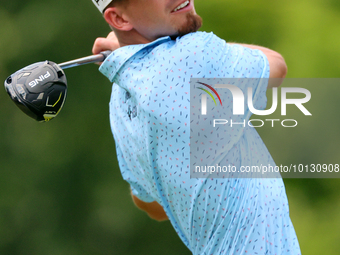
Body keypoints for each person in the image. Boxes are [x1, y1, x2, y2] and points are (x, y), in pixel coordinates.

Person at [91, 0, 301, 254]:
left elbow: (154, 207)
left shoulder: (121, 104)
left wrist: (130, 51)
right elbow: (276, 65)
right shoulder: (192, 54)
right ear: (120, 20)